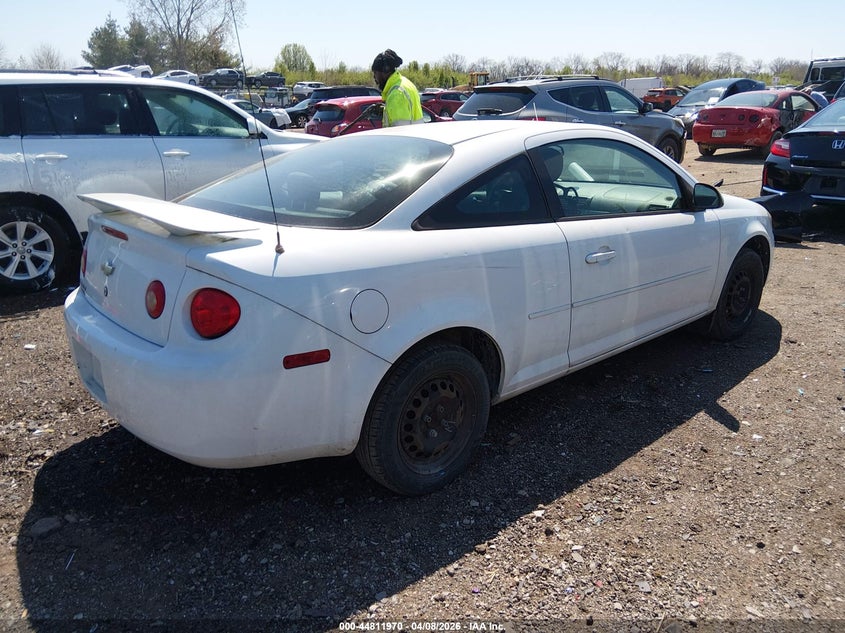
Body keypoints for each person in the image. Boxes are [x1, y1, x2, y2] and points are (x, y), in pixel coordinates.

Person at [371, 49, 423, 127]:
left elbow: (400, 132)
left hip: (406, 138)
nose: (374, 77)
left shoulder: (396, 94)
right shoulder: (406, 84)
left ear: (385, 71)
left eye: (375, 73)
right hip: (416, 137)